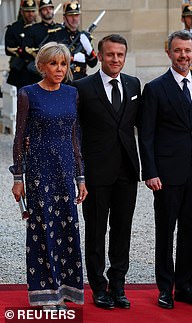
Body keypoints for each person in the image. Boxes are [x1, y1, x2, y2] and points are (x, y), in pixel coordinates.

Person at [138, 30, 192, 309]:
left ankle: (184, 287)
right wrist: (150, 171)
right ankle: (164, 289)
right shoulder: (156, 88)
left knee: (190, 231)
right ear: (169, 53)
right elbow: (146, 134)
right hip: (166, 174)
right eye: (178, 50)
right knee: (165, 231)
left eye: (188, 50)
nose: (184, 55)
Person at [11, 42, 87, 310]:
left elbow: (75, 136)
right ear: (41, 66)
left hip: (65, 170)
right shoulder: (27, 94)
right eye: (53, 63)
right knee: (43, 229)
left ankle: (67, 288)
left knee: (67, 228)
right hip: (39, 172)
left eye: (63, 64)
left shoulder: (72, 93)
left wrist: (81, 177)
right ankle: (46, 293)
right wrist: (18, 177)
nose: (59, 69)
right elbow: (19, 137)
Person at [74, 34, 141, 310]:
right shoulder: (82, 87)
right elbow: (74, 132)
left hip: (127, 170)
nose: (115, 59)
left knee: (122, 230)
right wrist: (79, 174)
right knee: (96, 231)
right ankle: (98, 287)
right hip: (96, 173)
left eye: (120, 55)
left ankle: (118, 284)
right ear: (99, 56)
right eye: (110, 54)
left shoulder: (133, 84)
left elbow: (141, 126)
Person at [55, 0, 98, 80]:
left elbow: (93, 63)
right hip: (63, 79)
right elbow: (52, 58)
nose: (74, 19)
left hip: (82, 79)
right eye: (70, 15)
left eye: (76, 15)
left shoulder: (84, 37)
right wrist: (73, 58)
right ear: (64, 18)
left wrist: (89, 50)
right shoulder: (57, 35)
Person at [4, 0, 41, 90]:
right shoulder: (14, 28)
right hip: (19, 72)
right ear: (22, 12)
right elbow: (9, 49)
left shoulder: (40, 28)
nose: (30, 14)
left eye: (33, 11)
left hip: (36, 72)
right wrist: (26, 51)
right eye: (27, 11)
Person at [25, 0, 62, 72]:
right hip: (40, 70)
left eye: (50, 9)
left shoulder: (61, 29)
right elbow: (27, 50)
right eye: (45, 9)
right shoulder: (33, 29)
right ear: (39, 12)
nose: (48, 11)